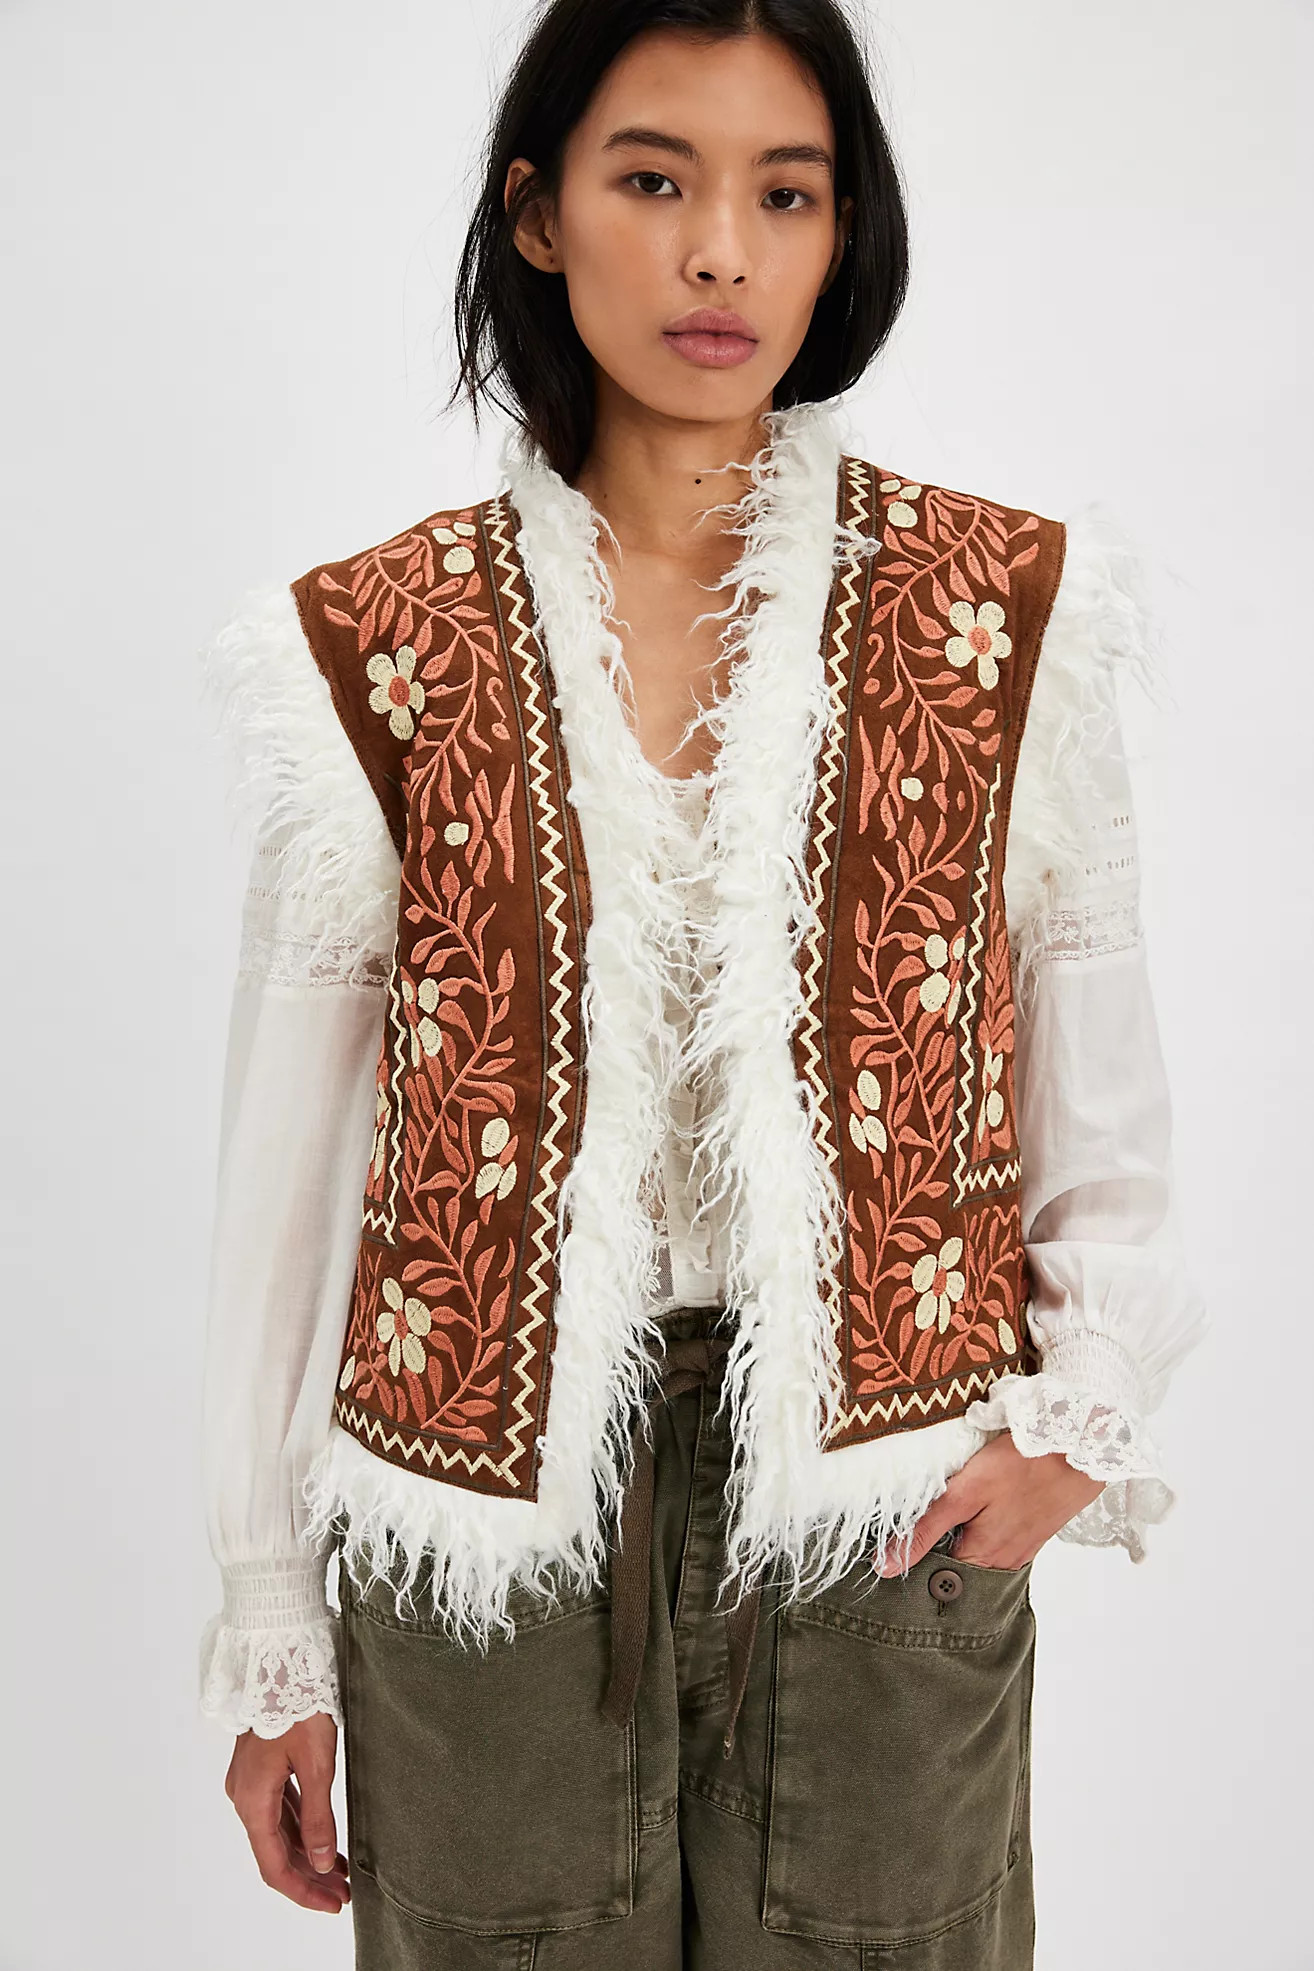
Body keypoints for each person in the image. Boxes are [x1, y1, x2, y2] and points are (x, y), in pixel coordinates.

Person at [195, 2, 1208, 1964]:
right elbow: (286, 1175)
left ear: (844, 235)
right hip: (481, 1541)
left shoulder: (1000, 615)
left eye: (785, 194)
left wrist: (1076, 1418)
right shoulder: (375, 647)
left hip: (882, 1515)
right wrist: (264, 1614)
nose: (721, 251)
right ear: (541, 214)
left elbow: (1098, 1075)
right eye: (654, 180)